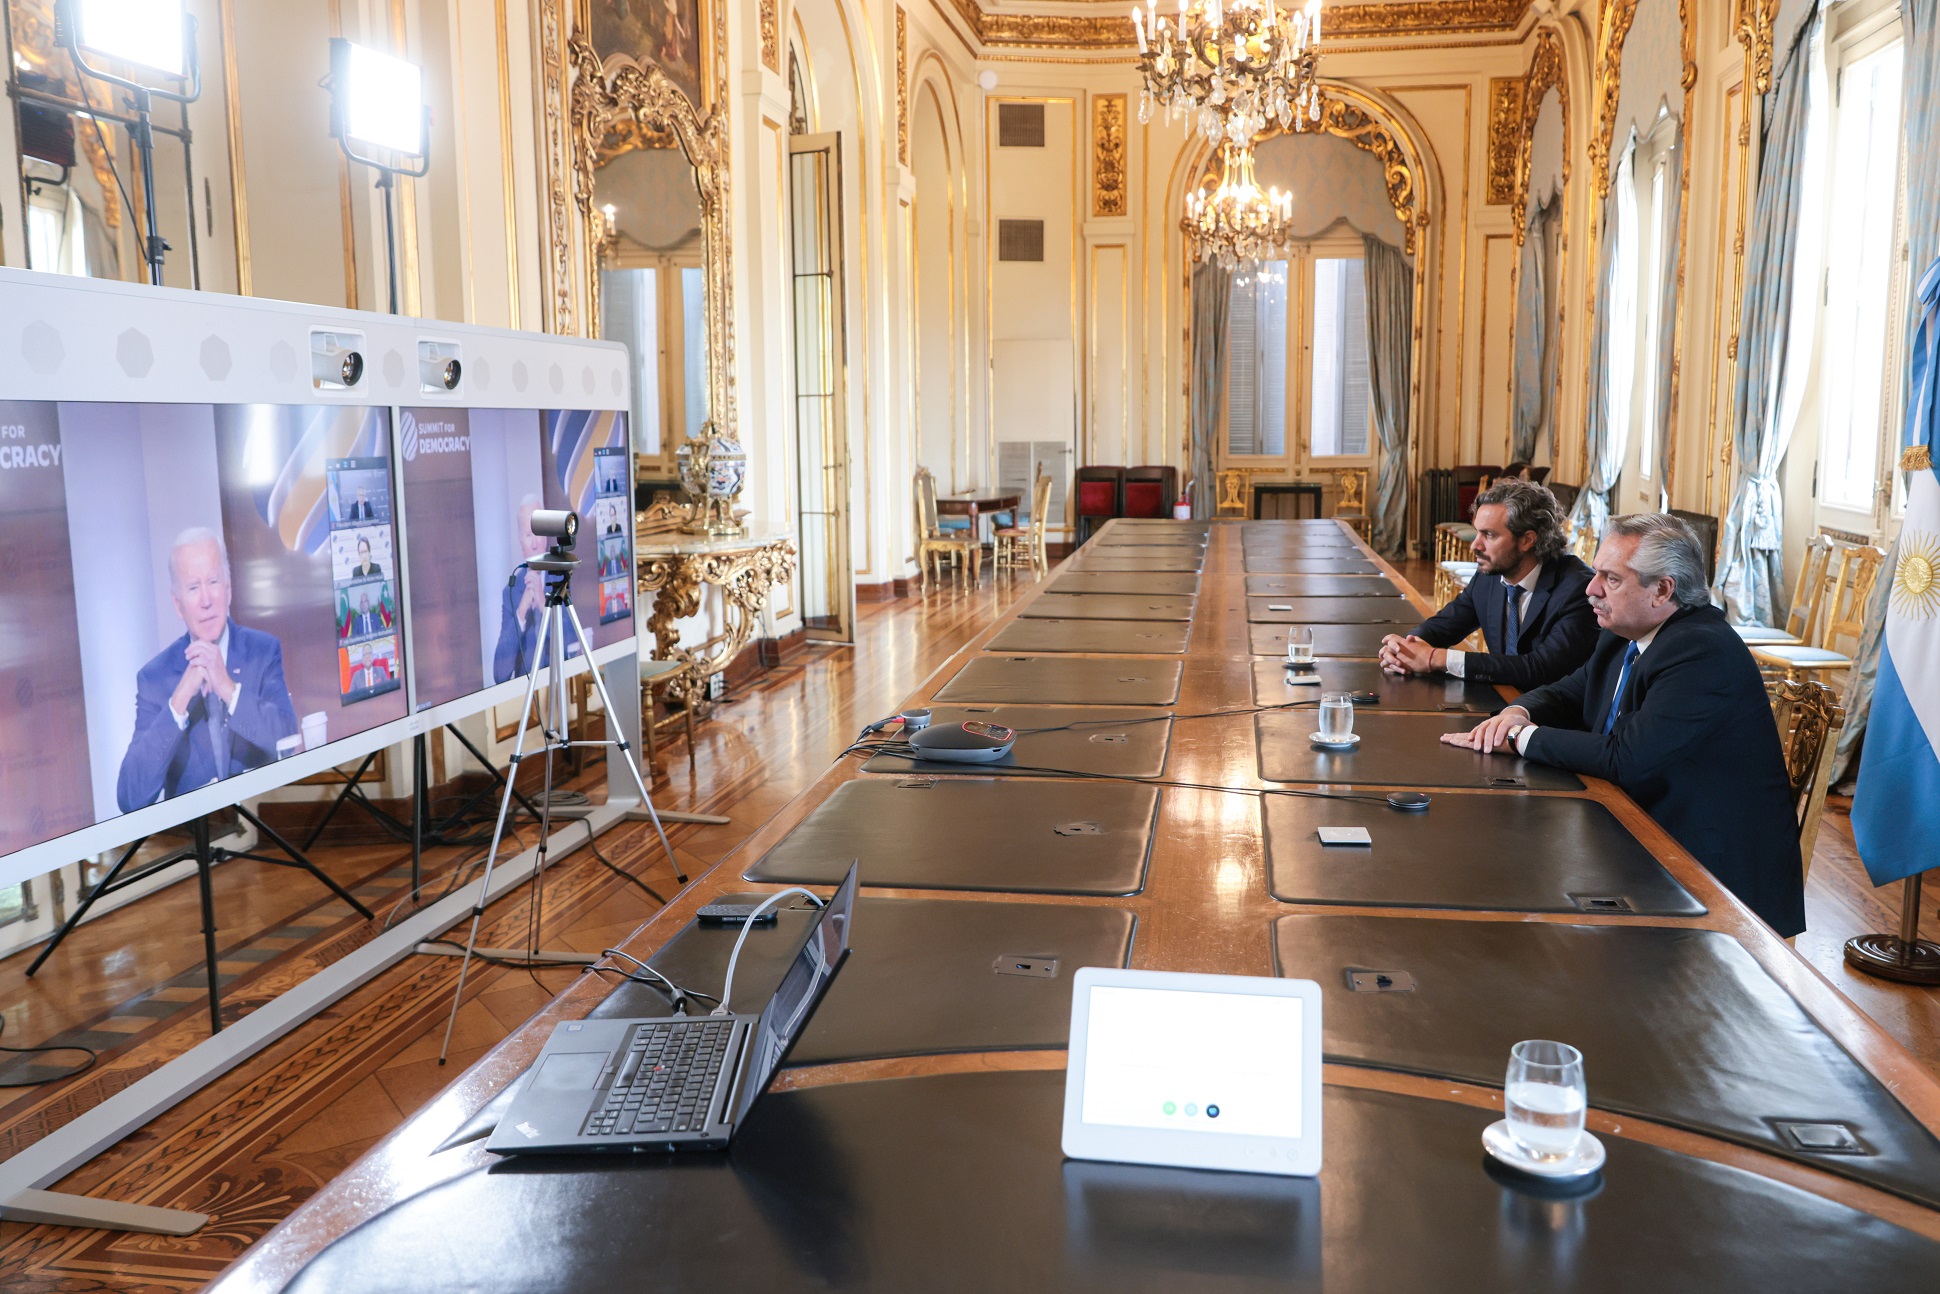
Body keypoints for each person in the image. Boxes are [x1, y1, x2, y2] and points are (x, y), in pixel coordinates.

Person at [1441, 513, 1803, 936]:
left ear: (1662, 590)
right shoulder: (1625, 631)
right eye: (1596, 573)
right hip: (1634, 828)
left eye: (1610, 579)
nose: (1591, 589)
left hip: (1706, 870)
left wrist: (1521, 738)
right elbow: (1569, 691)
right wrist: (1516, 713)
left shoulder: (1702, 652)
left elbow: (1624, 757)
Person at [116, 529, 299, 812]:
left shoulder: (262, 651)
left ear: (228, 589)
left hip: (261, 825)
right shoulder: (155, 678)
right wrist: (179, 701)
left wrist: (228, 689)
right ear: (178, 604)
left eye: (213, 582)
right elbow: (130, 798)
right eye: (193, 588)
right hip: (196, 841)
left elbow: (289, 740)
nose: (205, 600)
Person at [1379, 479, 1597, 690]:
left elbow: (1541, 668)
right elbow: (1443, 626)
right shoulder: (1489, 576)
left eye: (1489, 535)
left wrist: (1438, 658)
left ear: (1527, 540)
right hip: (1500, 703)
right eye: (1477, 532)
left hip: (1552, 718)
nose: (1475, 545)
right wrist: (1405, 649)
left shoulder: (1579, 588)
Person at [493, 495, 553, 683]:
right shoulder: (511, 592)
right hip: (527, 696)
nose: (535, 544)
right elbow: (500, 674)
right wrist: (521, 612)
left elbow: (571, 643)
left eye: (538, 532)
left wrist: (543, 605)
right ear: (521, 545)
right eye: (528, 536)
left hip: (563, 686)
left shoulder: (564, 577)